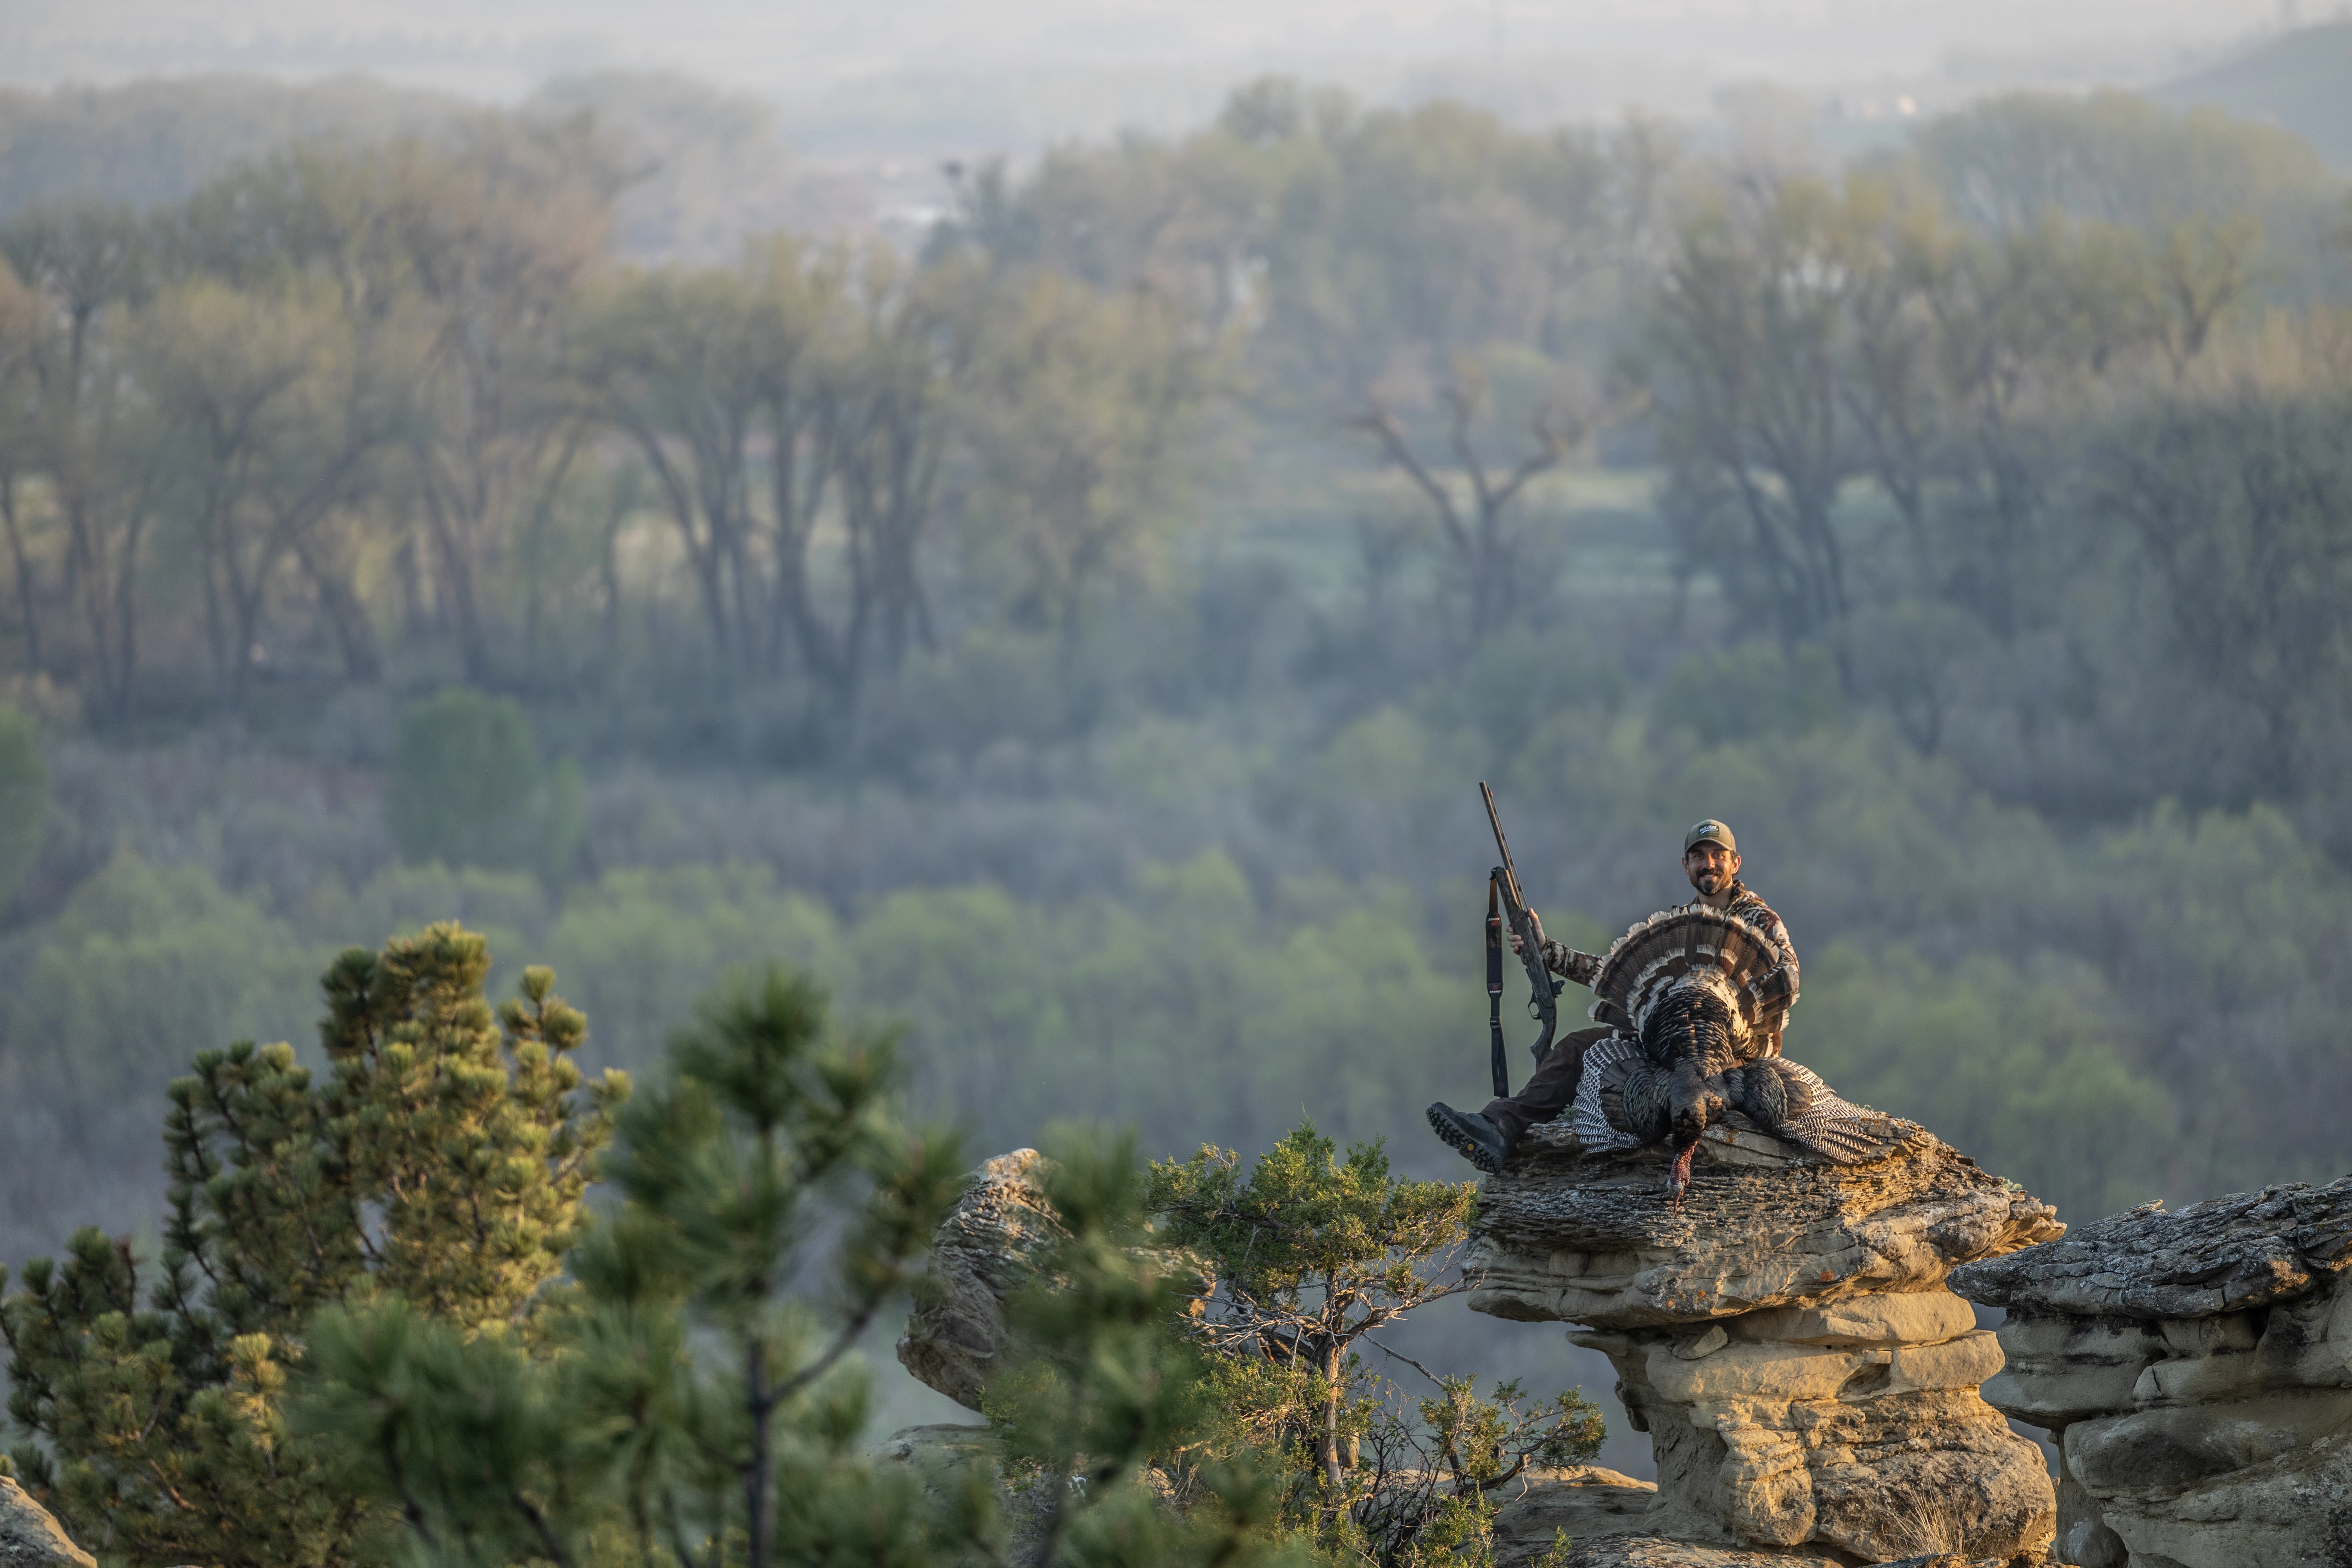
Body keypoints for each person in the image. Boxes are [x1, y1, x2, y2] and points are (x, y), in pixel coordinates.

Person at [1426, 818, 1798, 1173]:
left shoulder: (1760, 921)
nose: (1709, 864)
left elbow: (1788, 980)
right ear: (1685, 865)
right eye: (1700, 856)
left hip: (1730, 1056)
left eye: (1718, 855)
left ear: (1736, 862)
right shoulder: (1682, 919)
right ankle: (1498, 1127)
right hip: (1669, 1047)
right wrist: (1546, 951)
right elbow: (1620, 978)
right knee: (1576, 1049)